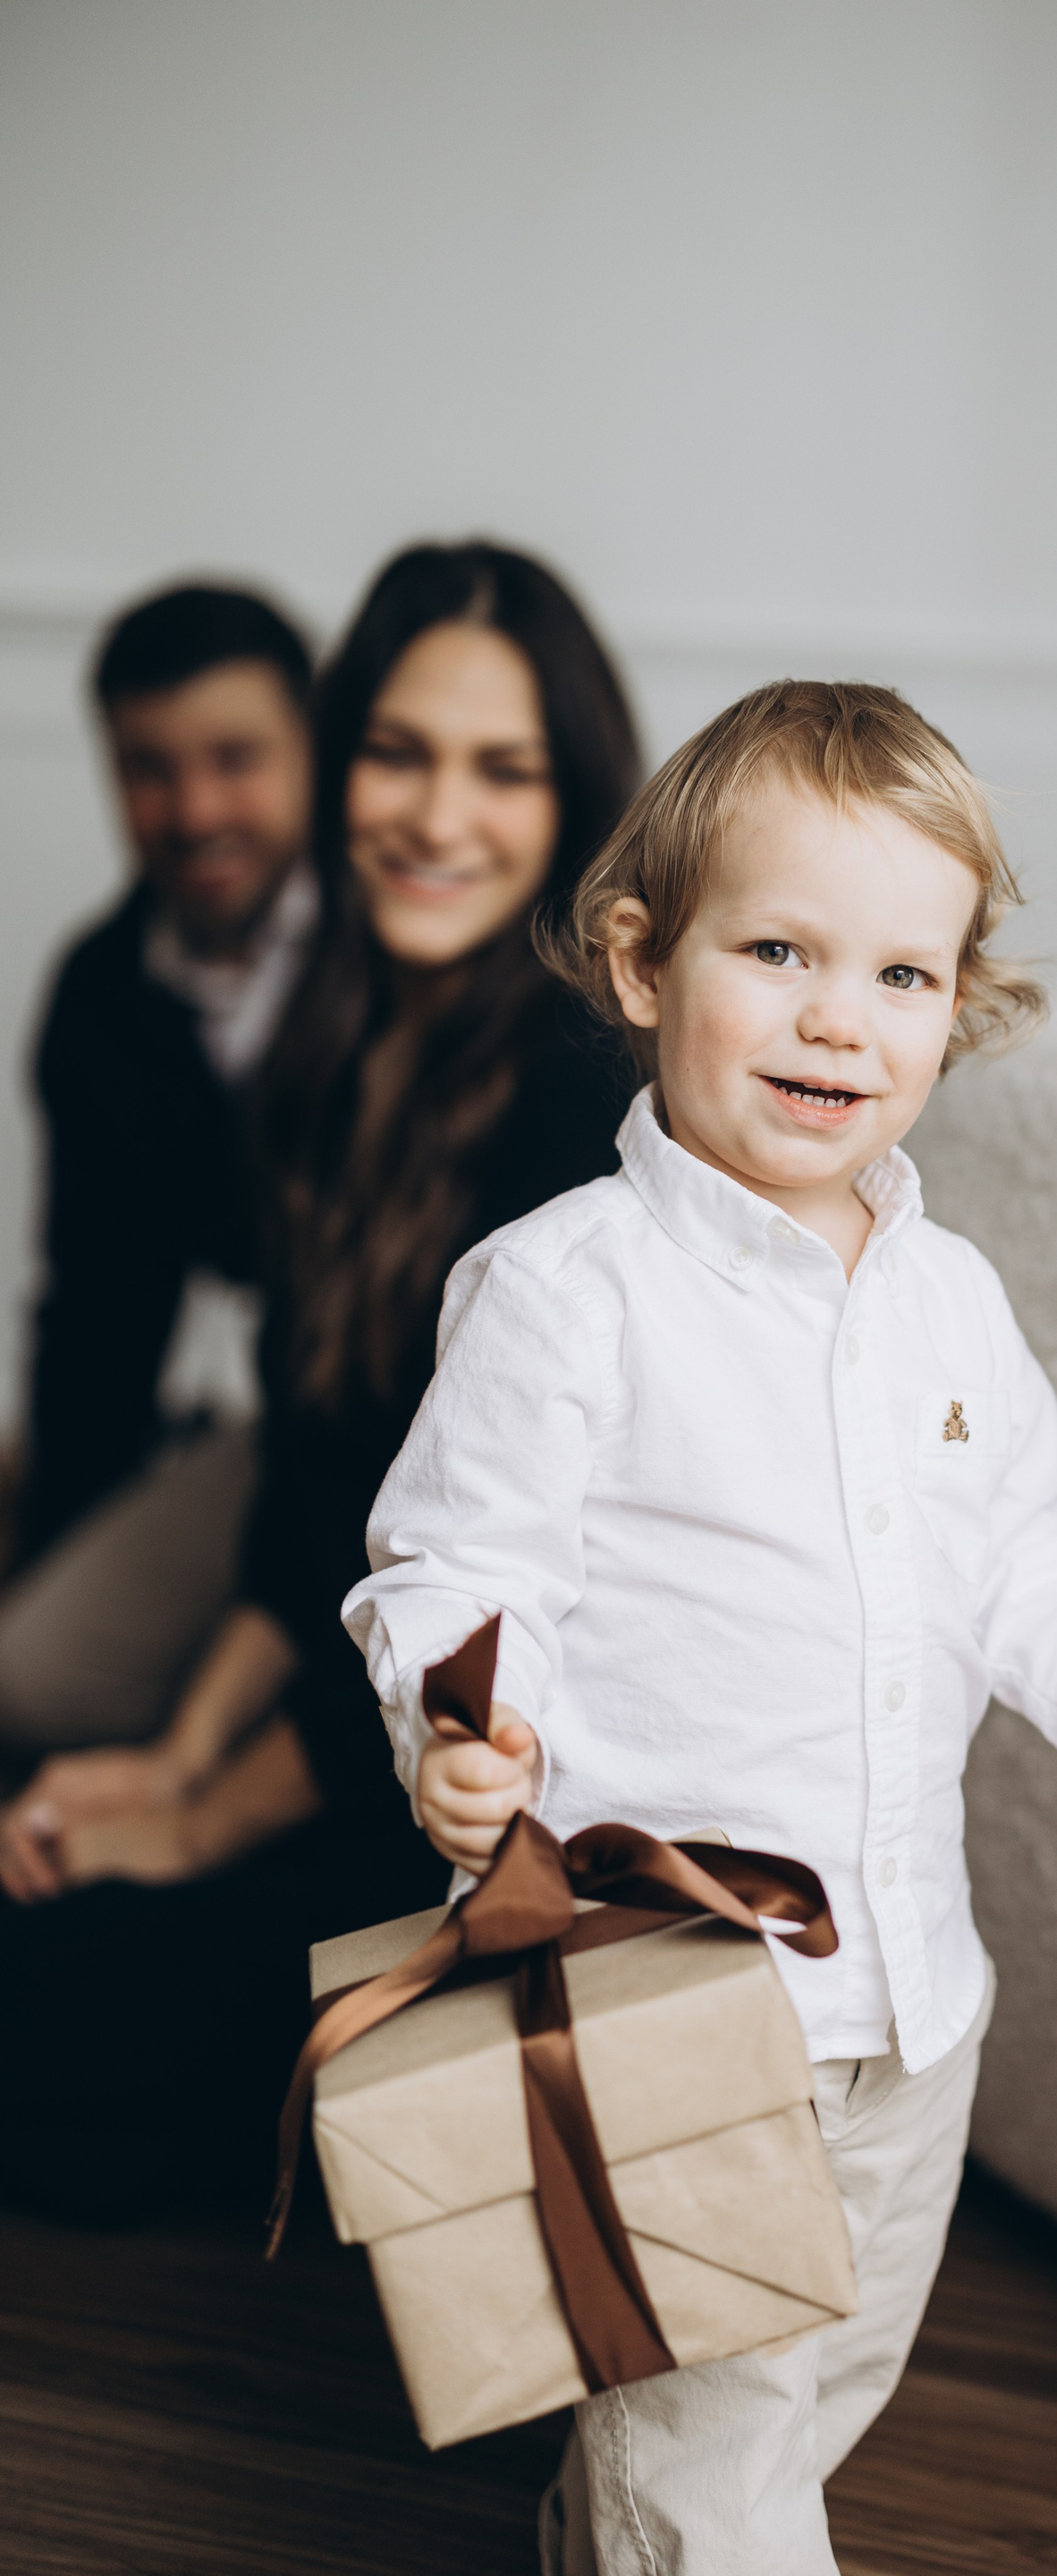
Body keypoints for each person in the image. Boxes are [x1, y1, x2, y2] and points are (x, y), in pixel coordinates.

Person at [343, 679, 1057, 2576]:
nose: (841, 1017)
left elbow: (1033, 1552)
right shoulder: (570, 1290)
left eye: (902, 975)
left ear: (957, 1009)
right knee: (715, 2446)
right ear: (642, 963)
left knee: (813, 2388)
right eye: (779, 953)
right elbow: (456, 1567)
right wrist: (464, 1721)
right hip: (670, 1990)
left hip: (913, 2003)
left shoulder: (952, 1299)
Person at [0, 540, 639, 2223]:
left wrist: (204, 1821)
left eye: (502, 771)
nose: (436, 816)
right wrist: (175, 1761)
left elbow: (472, 1592)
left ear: (572, 802)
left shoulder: (581, 1094)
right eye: (400, 753)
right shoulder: (348, 1041)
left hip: (513, 1767)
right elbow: (315, 1487)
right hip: (365, 1709)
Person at [0, 583, 317, 1758]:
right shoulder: (100, 995)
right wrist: (57, 1554)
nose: (194, 810)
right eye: (149, 768)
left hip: (444, 1387)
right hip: (296, 1417)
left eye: (235, 759)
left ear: (315, 747)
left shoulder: (401, 939)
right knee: (31, 1678)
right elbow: (96, 1320)